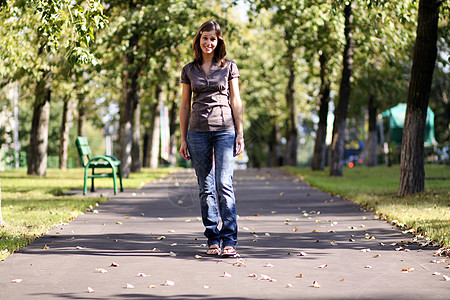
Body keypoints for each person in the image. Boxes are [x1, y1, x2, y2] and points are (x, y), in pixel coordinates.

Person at [179, 20, 244, 257]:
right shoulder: (189, 69)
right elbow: (185, 106)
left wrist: (240, 133)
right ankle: (212, 239)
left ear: (218, 42)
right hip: (197, 132)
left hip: (225, 130)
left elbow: (236, 101)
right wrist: (183, 137)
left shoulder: (229, 67)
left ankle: (230, 240)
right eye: (205, 37)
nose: (209, 42)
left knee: (223, 183)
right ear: (199, 39)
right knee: (205, 187)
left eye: (213, 39)